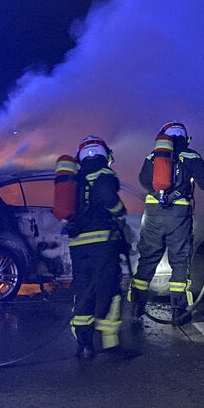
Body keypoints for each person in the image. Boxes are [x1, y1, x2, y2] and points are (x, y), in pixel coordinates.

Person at [128, 122, 204, 325]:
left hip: (152, 214)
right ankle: (178, 312)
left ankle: (136, 308)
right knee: (179, 261)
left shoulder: (153, 156)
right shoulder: (190, 156)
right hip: (178, 215)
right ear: (185, 138)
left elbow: (143, 181)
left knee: (147, 259)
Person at [66, 135, 128, 359]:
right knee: (109, 289)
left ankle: (84, 344)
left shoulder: (74, 178)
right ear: (103, 154)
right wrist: (120, 211)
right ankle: (110, 343)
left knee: (84, 290)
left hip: (78, 245)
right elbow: (108, 198)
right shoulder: (104, 173)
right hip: (103, 243)